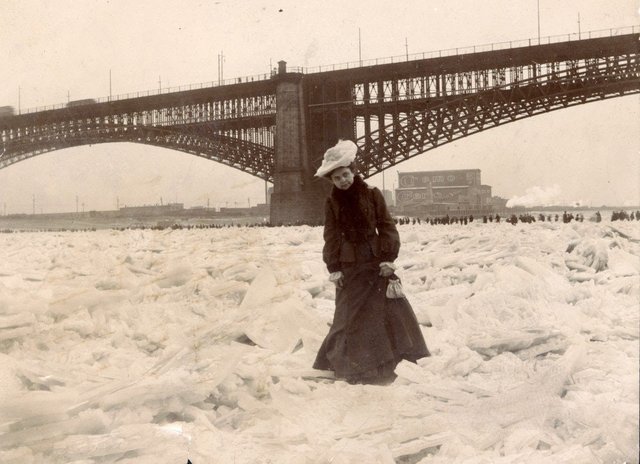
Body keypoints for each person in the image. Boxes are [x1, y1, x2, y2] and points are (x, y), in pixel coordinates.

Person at [312, 140, 430, 384]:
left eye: (346, 175)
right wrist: (333, 267)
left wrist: (388, 258)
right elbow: (331, 235)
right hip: (349, 266)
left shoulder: (372, 195)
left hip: (375, 262)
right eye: (337, 178)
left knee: (380, 313)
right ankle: (349, 365)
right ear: (332, 181)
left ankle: (385, 365)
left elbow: (386, 226)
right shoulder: (331, 203)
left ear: (354, 172)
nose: (343, 181)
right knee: (346, 315)